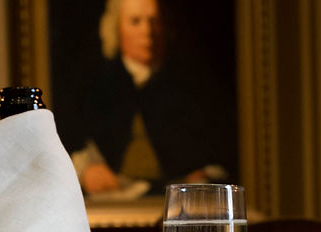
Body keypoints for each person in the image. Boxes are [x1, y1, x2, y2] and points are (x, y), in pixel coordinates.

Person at [69, 0, 232, 198]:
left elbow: (218, 156)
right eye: (135, 21)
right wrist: (85, 171)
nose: (147, 31)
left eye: (154, 21)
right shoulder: (94, 85)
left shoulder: (192, 87)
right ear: (117, 28)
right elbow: (72, 143)